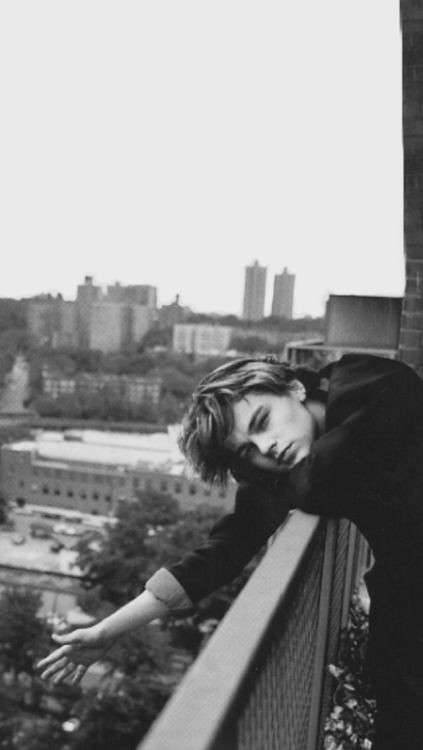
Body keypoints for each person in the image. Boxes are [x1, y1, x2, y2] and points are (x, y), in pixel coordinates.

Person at [37, 353, 423, 749]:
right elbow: (223, 551)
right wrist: (108, 630)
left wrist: (282, 487)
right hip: (406, 581)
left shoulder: (368, 384)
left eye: (262, 421)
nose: (266, 447)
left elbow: (320, 476)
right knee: (394, 683)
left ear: (294, 387)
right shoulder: (284, 469)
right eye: (246, 452)